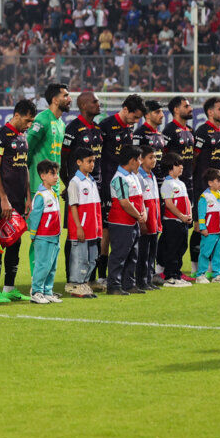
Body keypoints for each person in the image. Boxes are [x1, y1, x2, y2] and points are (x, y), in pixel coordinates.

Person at [0, 99, 35, 303]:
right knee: (0, 241)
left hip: (18, 198)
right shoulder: (0, 136)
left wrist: (28, 197)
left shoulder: (22, 136)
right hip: (3, 199)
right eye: (27, 120)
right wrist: (3, 199)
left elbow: (24, 167)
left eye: (31, 121)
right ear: (17, 115)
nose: (29, 125)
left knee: (15, 240)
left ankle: (9, 288)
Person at [97, 94, 146, 280]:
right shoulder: (106, 126)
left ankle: (120, 276)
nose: (135, 121)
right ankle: (102, 276)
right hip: (108, 185)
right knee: (106, 231)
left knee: (122, 231)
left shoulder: (129, 127)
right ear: (125, 109)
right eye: (134, 117)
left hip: (125, 184)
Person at [61, 90, 104, 287]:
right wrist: (69, 184)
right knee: (74, 236)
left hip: (95, 188)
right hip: (78, 188)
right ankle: (72, 278)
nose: (99, 104)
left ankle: (89, 278)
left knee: (93, 234)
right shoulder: (73, 129)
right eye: (95, 102)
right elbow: (64, 159)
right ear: (84, 105)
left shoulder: (96, 128)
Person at [190, 97, 220, 267]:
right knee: (200, 227)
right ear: (210, 112)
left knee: (215, 224)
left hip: (217, 188)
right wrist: (197, 183)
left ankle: (212, 264)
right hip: (202, 186)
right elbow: (193, 158)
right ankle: (195, 265)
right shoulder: (202, 131)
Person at [105, 146, 145, 296]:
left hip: (132, 222)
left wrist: (142, 213)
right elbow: (124, 202)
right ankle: (113, 286)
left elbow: (139, 199)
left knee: (132, 255)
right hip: (121, 223)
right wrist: (139, 216)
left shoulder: (132, 175)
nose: (141, 162)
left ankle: (129, 284)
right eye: (139, 159)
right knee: (119, 255)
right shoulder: (119, 178)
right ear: (132, 160)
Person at [64, 151, 102, 298]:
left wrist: (98, 227)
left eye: (93, 161)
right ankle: (76, 285)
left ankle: (84, 283)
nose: (92, 164)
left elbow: (95, 208)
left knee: (92, 259)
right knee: (80, 258)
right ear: (79, 162)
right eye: (89, 161)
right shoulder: (75, 182)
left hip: (93, 229)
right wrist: (78, 227)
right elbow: (73, 206)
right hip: (81, 229)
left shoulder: (91, 180)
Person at [27, 161, 62, 304]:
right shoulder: (41, 195)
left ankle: (47, 291)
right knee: (43, 265)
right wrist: (33, 235)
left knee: (52, 266)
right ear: (42, 176)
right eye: (52, 174)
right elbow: (34, 217)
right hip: (43, 237)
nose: (56, 177)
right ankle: (36, 292)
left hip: (54, 236)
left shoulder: (52, 192)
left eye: (56, 173)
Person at [157, 155, 193, 287]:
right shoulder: (167, 184)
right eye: (178, 164)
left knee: (181, 248)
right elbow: (169, 204)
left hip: (183, 222)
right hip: (172, 222)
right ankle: (169, 276)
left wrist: (188, 215)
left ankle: (177, 274)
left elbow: (187, 201)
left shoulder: (181, 183)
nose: (182, 167)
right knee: (171, 249)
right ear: (170, 167)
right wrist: (181, 216)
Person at [27, 83, 69, 195]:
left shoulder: (61, 124)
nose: (69, 99)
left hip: (54, 187)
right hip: (38, 187)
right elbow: (27, 149)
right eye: (65, 96)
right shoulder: (42, 120)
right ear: (55, 100)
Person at [135, 146, 162, 290]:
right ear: (142, 159)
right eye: (150, 157)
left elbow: (155, 202)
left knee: (152, 253)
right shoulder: (139, 177)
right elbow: (140, 202)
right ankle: (141, 281)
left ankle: (149, 279)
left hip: (155, 221)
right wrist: (142, 222)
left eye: (155, 157)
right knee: (143, 253)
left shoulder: (152, 176)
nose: (154, 160)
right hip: (146, 221)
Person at [194, 169, 220, 284]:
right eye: (218, 181)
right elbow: (201, 214)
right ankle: (200, 275)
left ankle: (217, 275)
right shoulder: (205, 197)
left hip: (219, 231)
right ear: (210, 183)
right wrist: (203, 228)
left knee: (218, 253)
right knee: (205, 253)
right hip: (209, 231)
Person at [131, 100, 166, 173]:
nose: (162, 115)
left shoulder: (160, 134)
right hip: (145, 179)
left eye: (162, 112)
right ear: (147, 115)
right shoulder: (139, 134)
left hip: (159, 179)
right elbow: (134, 159)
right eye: (157, 112)